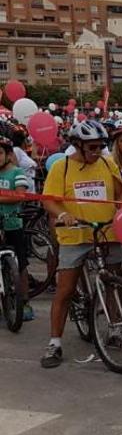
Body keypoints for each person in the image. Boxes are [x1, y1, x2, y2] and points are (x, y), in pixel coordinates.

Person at [40, 121, 122, 368]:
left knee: (115, 284)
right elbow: (49, 201)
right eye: (92, 147)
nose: (97, 150)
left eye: (101, 146)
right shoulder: (62, 167)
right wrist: (61, 214)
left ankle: (116, 330)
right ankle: (54, 343)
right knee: (65, 290)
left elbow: (120, 192)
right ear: (77, 145)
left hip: (107, 233)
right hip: (75, 236)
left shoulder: (107, 163)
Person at [0, 132, 34, 321]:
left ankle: (25, 301)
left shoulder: (16, 172)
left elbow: (20, 195)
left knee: (20, 265)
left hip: (13, 224)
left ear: (7, 154)